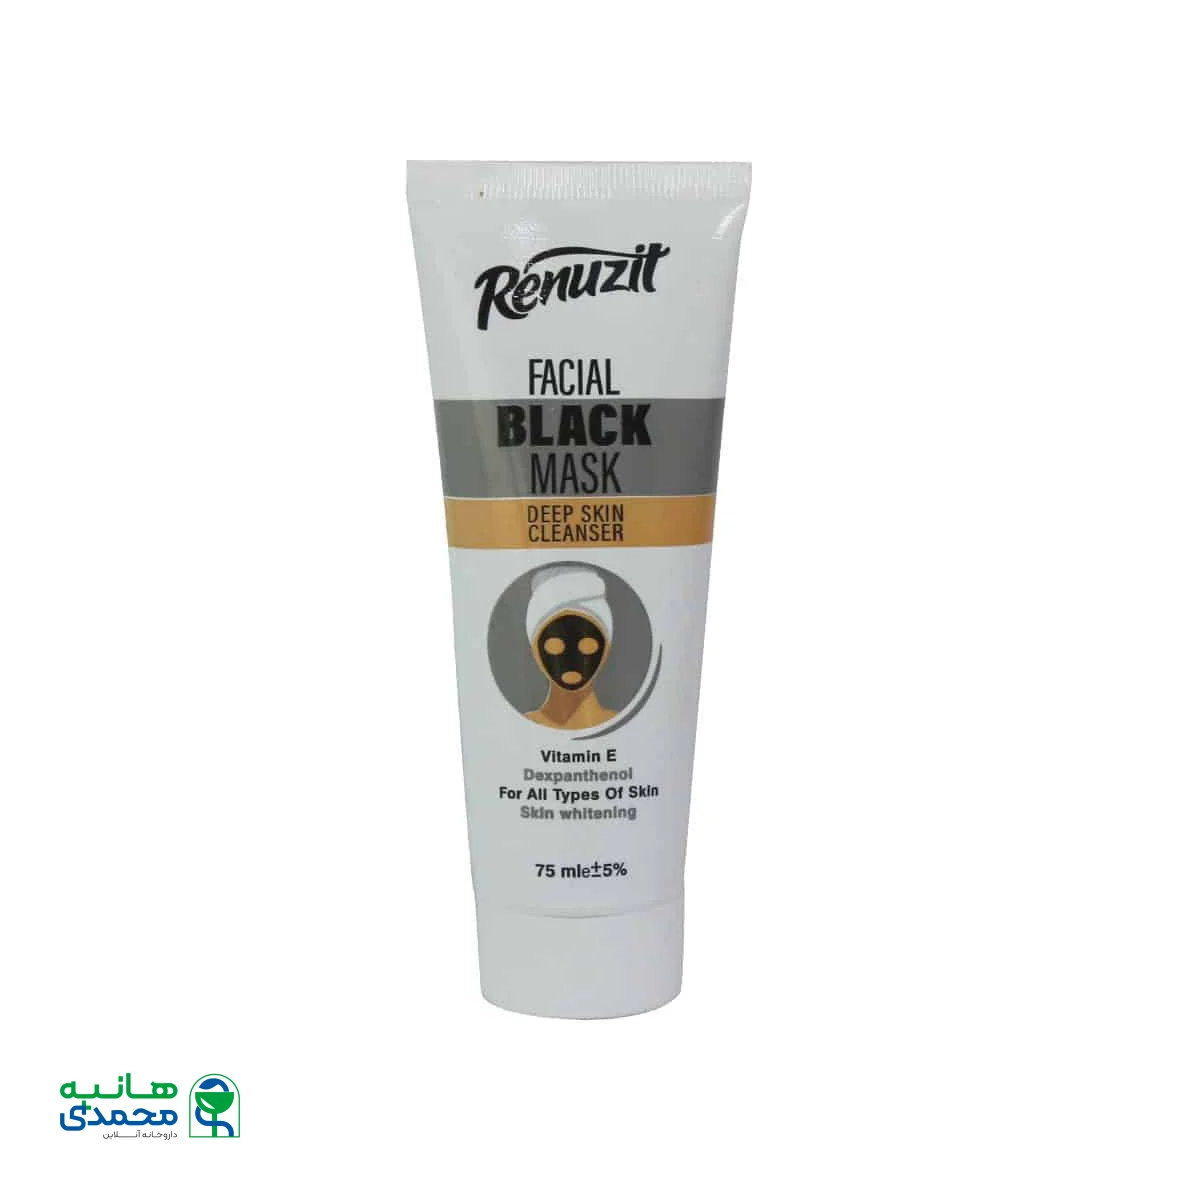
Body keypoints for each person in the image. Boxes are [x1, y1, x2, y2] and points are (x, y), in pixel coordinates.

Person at [524, 566, 617, 730]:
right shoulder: (525, 725)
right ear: (535, 651)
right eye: (555, 646)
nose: (571, 660)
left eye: (587, 645)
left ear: (606, 650)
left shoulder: (619, 723)